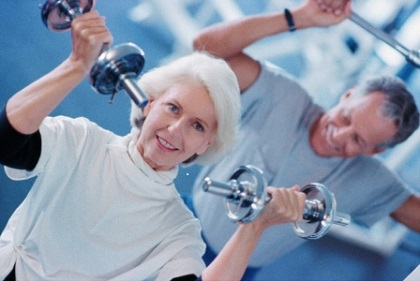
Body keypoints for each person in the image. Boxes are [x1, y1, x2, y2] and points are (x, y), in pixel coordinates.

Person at [0, 11, 308, 281]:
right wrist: (77, 65)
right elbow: (7, 141)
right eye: (173, 108)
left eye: (197, 126)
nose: (176, 130)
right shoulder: (82, 141)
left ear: (205, 144)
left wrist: (253, 228)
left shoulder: (179, 229)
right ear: (149, 102)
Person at [190, 0, 420, 279]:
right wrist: (300, 17)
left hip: (237, 269)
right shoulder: (283, 96)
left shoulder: (369, 180)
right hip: (184, 224)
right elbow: (206, 48)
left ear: (376, 150)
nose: (338, 136)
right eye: (346, 117)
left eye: (358, 140)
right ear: (347, 95)